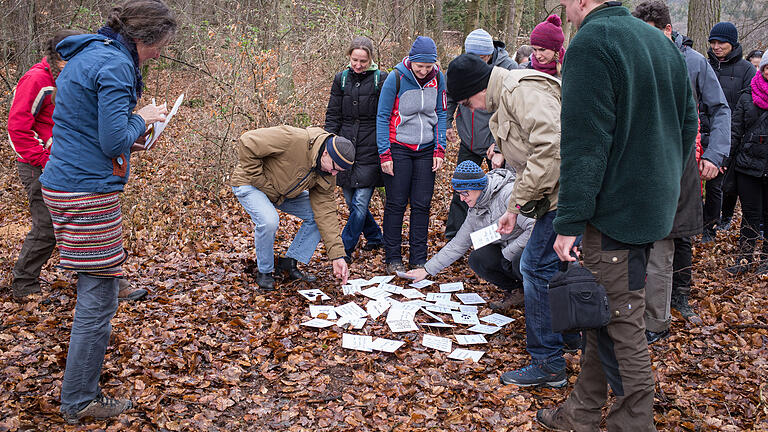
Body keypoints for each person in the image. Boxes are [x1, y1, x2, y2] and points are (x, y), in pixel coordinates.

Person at [541, 0, 697, 429]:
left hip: (614, 213)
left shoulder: (593, 42)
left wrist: (569, 221)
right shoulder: (658, 40)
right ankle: (582, 413)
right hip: (648, 207)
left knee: (620, 319)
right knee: (604, 311)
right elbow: (687, 125)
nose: (565, 12)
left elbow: (584, 145)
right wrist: (658, 183)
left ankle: (633, 423)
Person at [38, 0, 177, 423]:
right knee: (97, 302)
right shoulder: (115, 65)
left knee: (97, 287)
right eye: (158, 46)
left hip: (68, 182)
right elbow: (113, 139)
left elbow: (87, 125)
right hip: (86, 192)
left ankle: (78, 392)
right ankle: (80, 399)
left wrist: (130, 130)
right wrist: (142, 118)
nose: (158, 54)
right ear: (143, 38)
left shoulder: (92, 53)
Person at [447, 53, 580, 388]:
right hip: (552, 192)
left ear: (479, 88)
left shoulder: (520, 92)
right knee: (552, 267)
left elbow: (550, 149)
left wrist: (517, 203)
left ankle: (549, 361)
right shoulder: (505, 99)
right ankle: (569, 337)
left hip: (565, 193)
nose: (471, 109)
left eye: (466, 101)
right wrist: (513, 211)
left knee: (535, 267)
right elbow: (525, 165)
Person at [633, 0, 730, 339]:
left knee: (673, 240)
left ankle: (673, 304)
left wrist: (715, 155)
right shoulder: (636, 59)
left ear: (668, 30)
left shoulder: (694, 63)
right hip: (640, 168)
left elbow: (720, 110)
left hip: (682, 164)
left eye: (651, 35)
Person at [230, 126, 354, 290]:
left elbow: (326, 214)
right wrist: (261, 181)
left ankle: (288, 263)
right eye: (334, 167)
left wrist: (337, 255)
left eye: (339, 171)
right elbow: (248, 141)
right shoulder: (293, 138)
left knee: (317, 216)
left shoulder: (327, 171)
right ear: (325, 153)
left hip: (281, 193)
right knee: (269, 221)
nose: (333, 174)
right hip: (250, 184)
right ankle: (265, 272)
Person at [8, 30, 80, 299]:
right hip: (38, 164)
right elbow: (17, 128)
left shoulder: (68, 78)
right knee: (46, 226)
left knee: (79, 221)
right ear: (62, 55)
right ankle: (24, 286)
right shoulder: (37, 78)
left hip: (63, 163)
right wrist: (44, 160)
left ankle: (98, 279)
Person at [407, 161, 533, 310]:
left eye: (465, 193)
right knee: (478, 258)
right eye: (459, 194)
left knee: (520, 261)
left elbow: (534, 228)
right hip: (506, 248)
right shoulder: (475, 208)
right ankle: (518, 291)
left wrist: (508, 253)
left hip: (529, 248)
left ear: (478, 187)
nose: (462, 199)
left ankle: (537, 295)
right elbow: (458, 244)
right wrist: (427, 270)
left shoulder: (508, 194)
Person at [376, 36, 447, 273]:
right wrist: (385, 154)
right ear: (411, 61)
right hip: (399, 147)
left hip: (426, 148)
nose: (424, 71)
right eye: (420, 67)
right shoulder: (395, 78)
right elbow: (382, 116)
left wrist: (440, 148)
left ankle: (418, 258)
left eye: (428, 66)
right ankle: (392, 257)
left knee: (422, 204)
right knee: (396, 203)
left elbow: (441, 113)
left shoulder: (438, 77)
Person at [444, 29, 517, 240]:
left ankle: (498, 237)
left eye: (482, 58)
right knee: (463, 188)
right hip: (469, 140)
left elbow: (510, 114)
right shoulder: (459, 68)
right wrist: (448, 122)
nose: (477, 62)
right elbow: (450, 96)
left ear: (490, 53)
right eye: (472, 58)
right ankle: (455, 235)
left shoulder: (508, 70)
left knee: (500, 191)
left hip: (495, 144)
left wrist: (499, 145)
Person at [324, 36, 386, 259]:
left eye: (363, 60)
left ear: (371, 59)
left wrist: (385, 147)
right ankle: (375, 235)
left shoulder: (382, 79)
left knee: (360, 202)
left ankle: (344, 249)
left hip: (371, 147)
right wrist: (328, 141)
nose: (358, 65)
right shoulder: (341, 79)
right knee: (351, 202)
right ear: (349, 57)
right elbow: (333, 114)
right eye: (354, 60)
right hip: (344, 147)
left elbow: (386, 114)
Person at [702, 22, 755, 241]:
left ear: (732, 44)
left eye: (721, 42)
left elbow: (748, 105)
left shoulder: (746, 70)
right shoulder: (704, 65)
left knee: (717, 186)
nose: (716, 46)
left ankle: (710, 228)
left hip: (729, 136)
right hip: (701, 131)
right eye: (713, 42)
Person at [726, 52, 768, 275]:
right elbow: (735, 131)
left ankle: (766, 260)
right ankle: (743, 259)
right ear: (762, 69)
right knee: (750, 215)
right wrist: (725, 160)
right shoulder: (747, 96)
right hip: (747, 166)